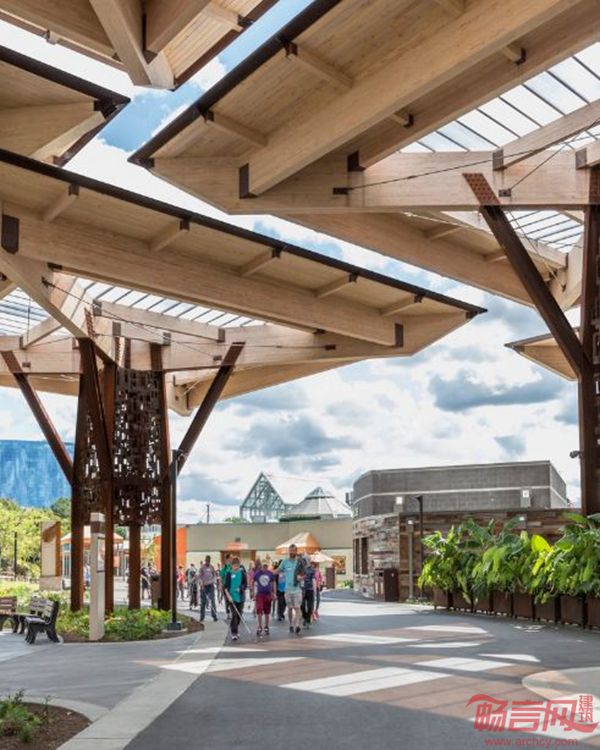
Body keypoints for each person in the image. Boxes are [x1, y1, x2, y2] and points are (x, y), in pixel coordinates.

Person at [277, 544, 304, 635]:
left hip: (297, 589)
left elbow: (305, 573)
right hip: (288, 589)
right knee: (289, 608)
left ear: (296, 551)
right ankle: (291, 624)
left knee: (297, 607)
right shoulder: (285, 562)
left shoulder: (299, 562)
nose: (292, 552)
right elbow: (278, 570)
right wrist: (268, 573)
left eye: (293, 550)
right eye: (290, 550)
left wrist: (301, 577)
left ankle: (298, 625)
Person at [224, 557, 247, 641]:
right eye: (234, 566)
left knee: (239, 615)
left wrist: (240, 588)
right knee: (234, 615)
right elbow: (225, 587)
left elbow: (245, 585)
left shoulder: (242, 573)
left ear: (239, 565)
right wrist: (229, 597)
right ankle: (234, 632)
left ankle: (236, 628)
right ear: (232, 565)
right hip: (232, 598)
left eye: (237, 566)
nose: (235, 568)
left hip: (241, 598)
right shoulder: (229, 574)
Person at [254, 561, 275, 636]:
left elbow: (273, 583)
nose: (265, 568)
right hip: (260, 594)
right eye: (264, 566)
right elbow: (253, 582)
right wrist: (253, 592)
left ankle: (266, 626)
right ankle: (259, 626)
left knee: (267, 612)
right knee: (259, 610)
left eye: (266, 566)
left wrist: (274, 593)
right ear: (261, 566)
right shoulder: (257, 573)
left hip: (268, 594)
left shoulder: (270, 573)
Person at [199, 555, 218, 622]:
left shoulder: (212, 567)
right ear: (205, 560)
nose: (208, 562)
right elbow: (200, 577)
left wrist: (213, 581)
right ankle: (202, 616)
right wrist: (201, 583)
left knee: (212, 601)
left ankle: (214, 616)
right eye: (207, 561)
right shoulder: (202, 568)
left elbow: (214, 575)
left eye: (209, 561)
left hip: (211, 586)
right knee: (203, 602)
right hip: (204, 586)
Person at [301, 557, 316, 628]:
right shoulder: (300, 569)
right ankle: (305, 618)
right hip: (302, 590)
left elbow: (313, 580)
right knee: (302, 606)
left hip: (310, 590)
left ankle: (308, 620)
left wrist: (314, 590)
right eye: (304, 560)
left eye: (306, 560)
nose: (305, 561)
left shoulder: (312, 570)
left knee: (310, 607)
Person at [220, 554, 232, 620]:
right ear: (227, 559)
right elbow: (221, 577)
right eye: (230, 558)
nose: (231, 559)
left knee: (233, 600)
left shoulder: (232, 566)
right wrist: (221, 585)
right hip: (226, 586)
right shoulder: (224, 568)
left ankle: (233, 612)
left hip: (232, 586)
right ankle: (228, 614)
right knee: (227, 600)